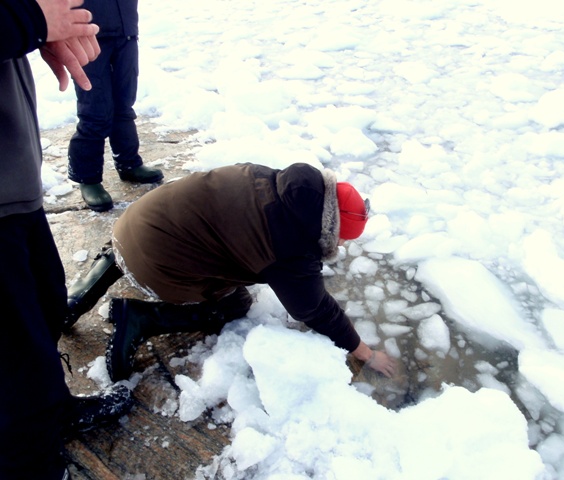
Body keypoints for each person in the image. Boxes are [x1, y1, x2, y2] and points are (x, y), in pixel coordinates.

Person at [65, 162, 397, 382]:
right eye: (341, 238)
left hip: (135, 221)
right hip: (155, 262)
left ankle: (83, 292)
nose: (340, 244)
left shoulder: (270, 177)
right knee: (236, 302)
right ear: (331, 229)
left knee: (186, 234)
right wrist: (363, 352)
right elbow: (315, 309)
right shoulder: (292, 249)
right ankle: (140, 318)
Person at [0, 1, 133, 478]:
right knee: (15, 353)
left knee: (45, 308)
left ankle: (51, 408)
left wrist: (30, 32)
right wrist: (29, 20)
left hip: (14, 183)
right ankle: (31, 462)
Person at [67, 0, 163, 212]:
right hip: (86, 33)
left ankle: (128, 163)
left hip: (125, 30)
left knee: (124, 105)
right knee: (95, 111)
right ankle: (88, 177)